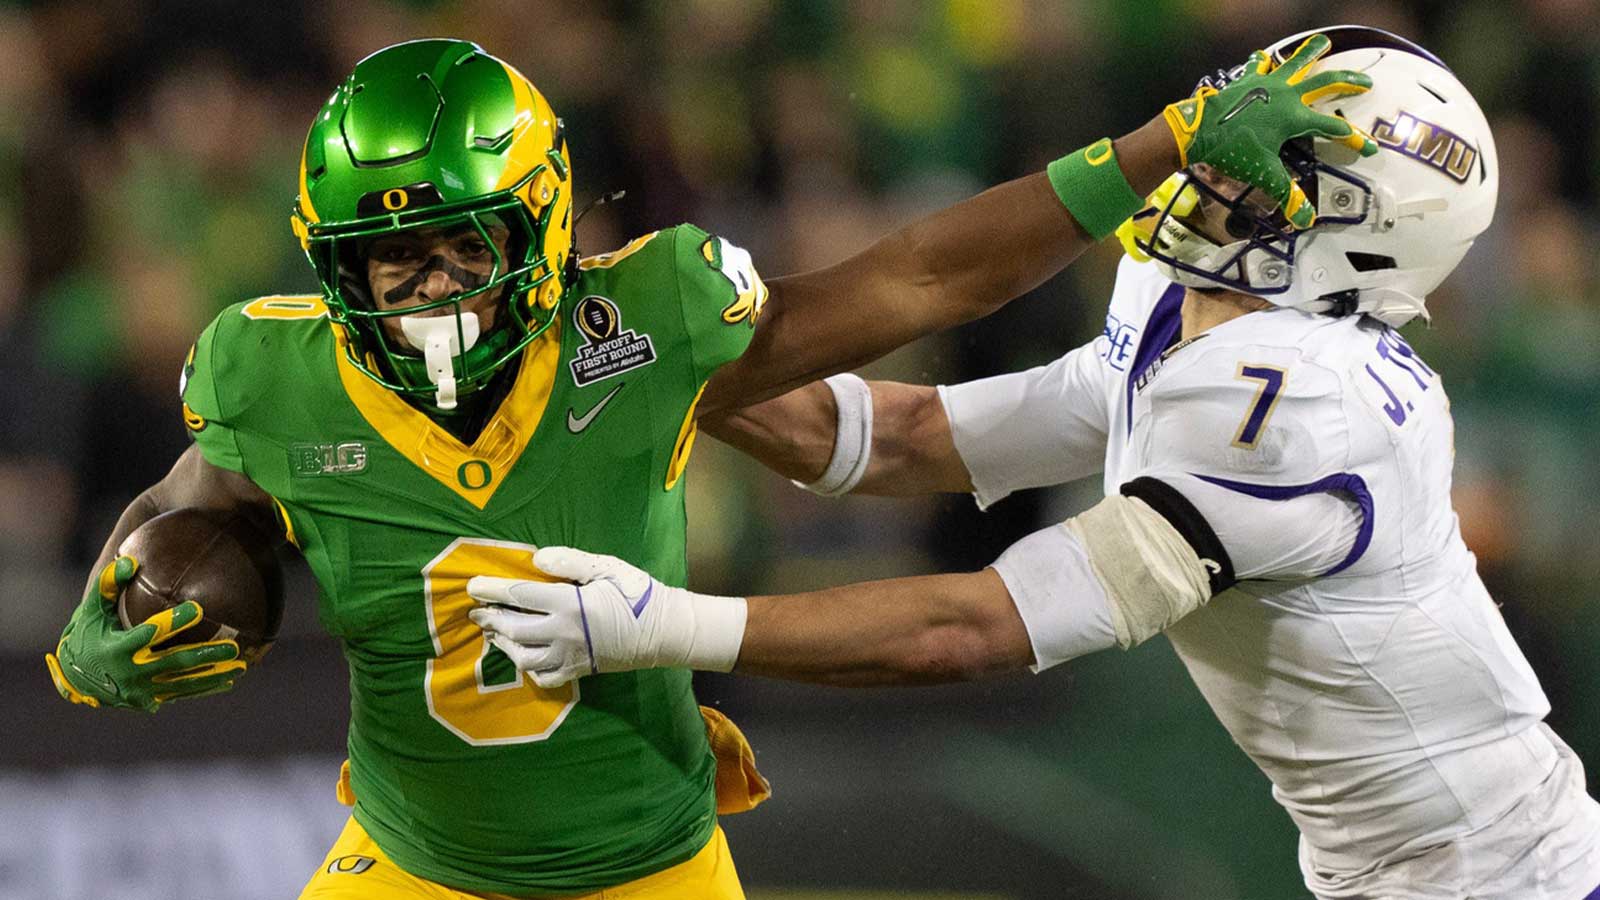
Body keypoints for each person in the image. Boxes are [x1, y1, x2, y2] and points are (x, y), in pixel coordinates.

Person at [41, 35, 1375, 900]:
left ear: (548, 227)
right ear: (336, 268)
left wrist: (1156, 145)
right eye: (397, 262)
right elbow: (186, 510)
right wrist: (109, 619)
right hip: (412, 864)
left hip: (646, 870)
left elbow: (914, 274)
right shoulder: (269, 375)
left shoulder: (644, 324)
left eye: (465, 251)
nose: (433, 297)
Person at [465, 27, 1600, 900]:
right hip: (1396, 866)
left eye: (1270, 174)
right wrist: (650, 365)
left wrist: (662, 625)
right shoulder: (1187, 305)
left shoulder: (1304, 403)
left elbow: (982, 628)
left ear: (1366, 229)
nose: (1216, 179)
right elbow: (902, 438)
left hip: (1495, 872)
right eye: (1229, 141)